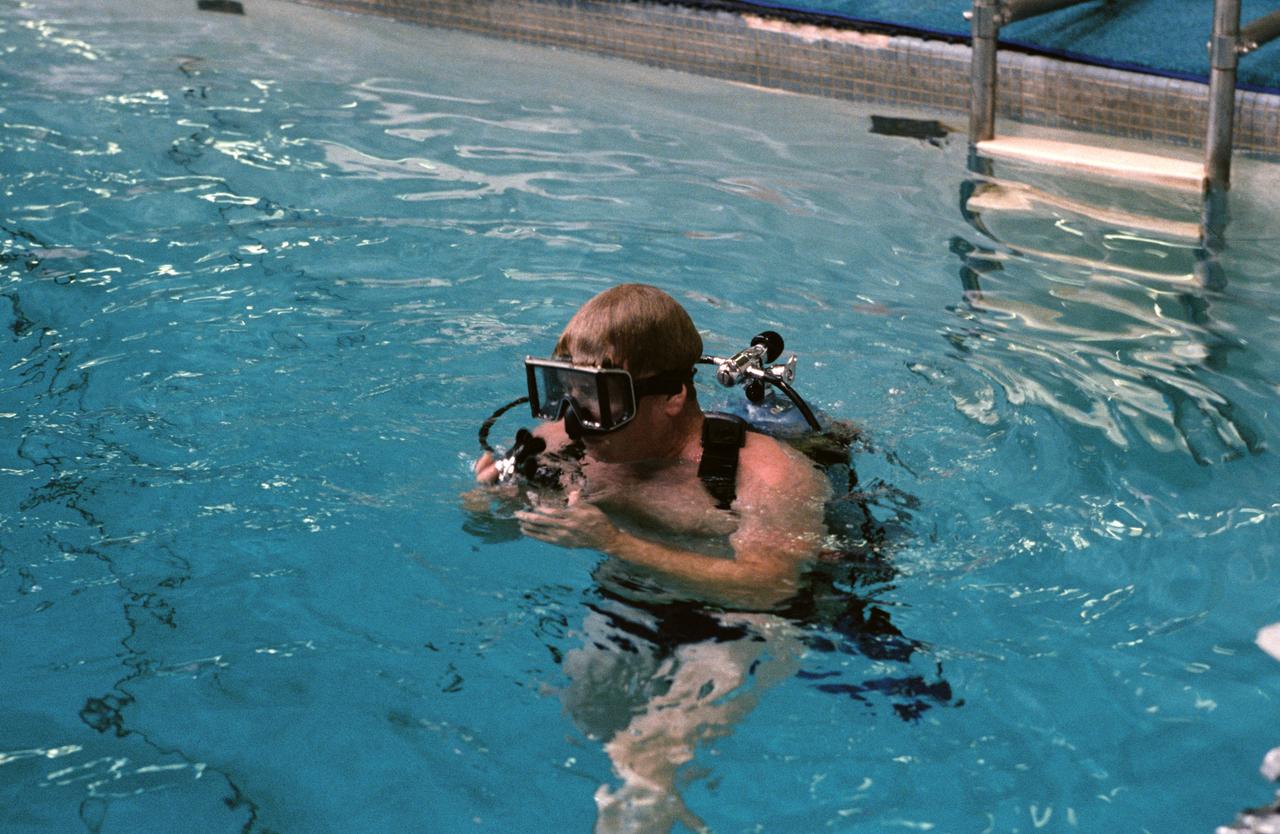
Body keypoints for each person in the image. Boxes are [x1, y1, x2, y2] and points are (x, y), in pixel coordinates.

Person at [473, 282, 832, 612]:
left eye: (601, 397)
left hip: (740, 615)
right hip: (625, 590)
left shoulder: (767, 477)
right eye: (573, 390)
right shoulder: (558, 445)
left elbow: (774, 586)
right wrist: (495, 502)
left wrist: (615, 543)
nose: (577, 419)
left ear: (673, 396)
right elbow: (483, 529)